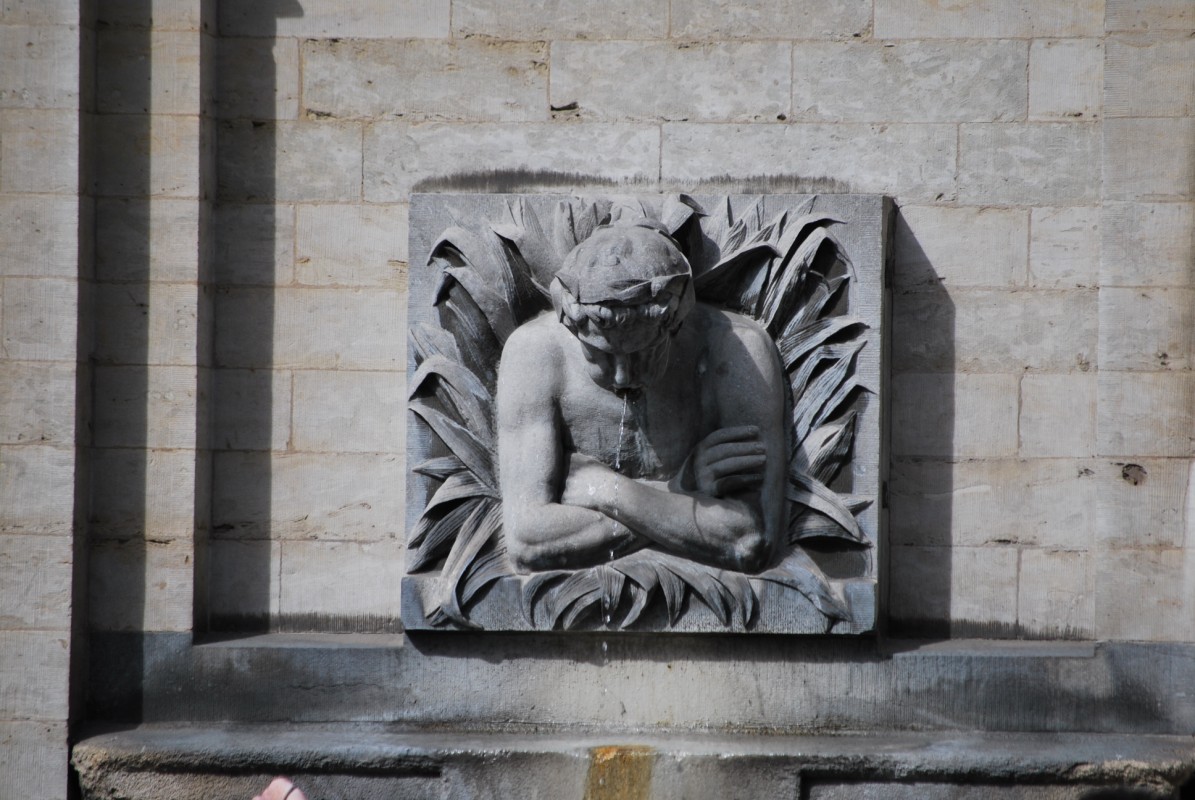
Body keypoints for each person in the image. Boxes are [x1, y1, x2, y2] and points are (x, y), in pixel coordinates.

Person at [497, 222, 786, 575]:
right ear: (571, 327)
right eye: (597, 354)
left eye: (643, 353)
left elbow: (750, 541)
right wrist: (683, 493)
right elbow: (528, 541)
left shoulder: (737, 352)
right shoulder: (535, 353)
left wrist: (607, 491)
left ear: (675, 323)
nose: (622, 376)